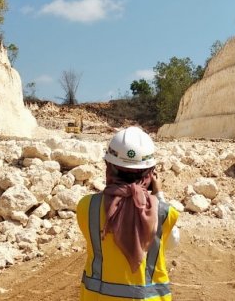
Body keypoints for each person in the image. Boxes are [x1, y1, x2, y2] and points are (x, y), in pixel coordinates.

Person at [76, 126, 180, 301]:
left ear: (108, 167)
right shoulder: (164, 212)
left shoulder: (88, 207)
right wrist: (158, 196)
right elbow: (171, 243)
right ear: (150, 174)